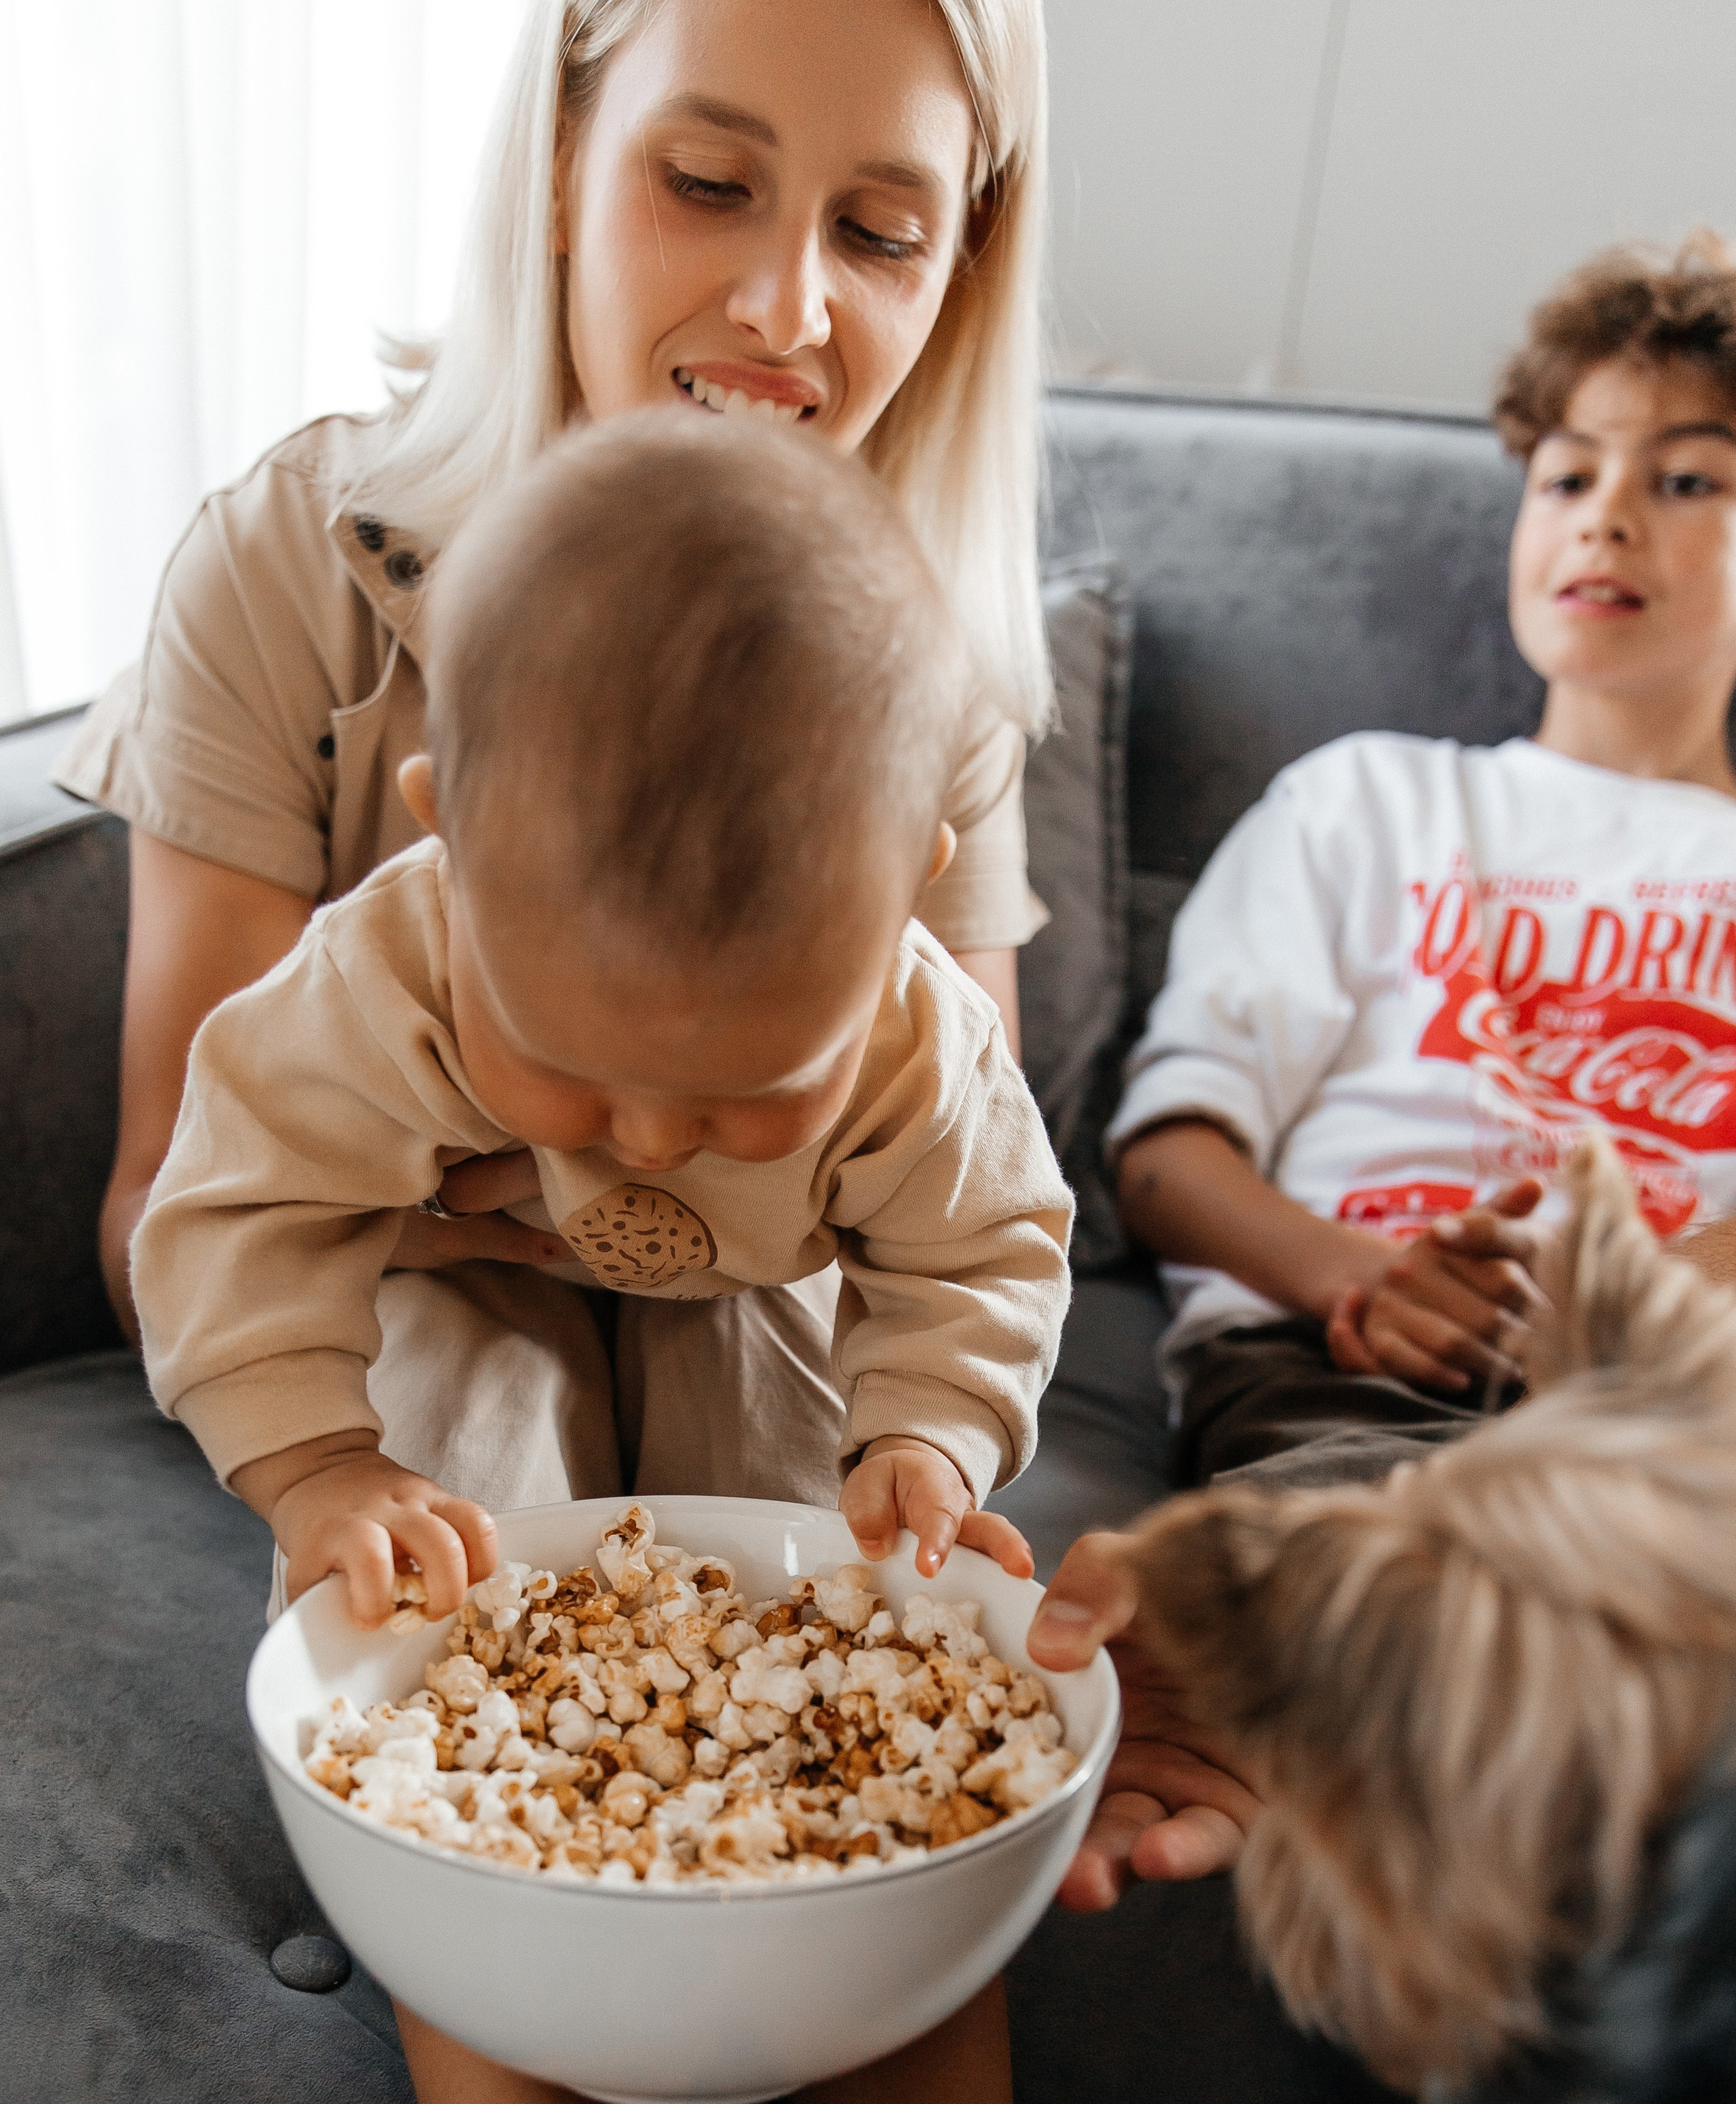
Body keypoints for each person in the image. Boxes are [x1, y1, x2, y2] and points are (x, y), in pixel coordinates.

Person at [134, 414, 1072, 2104]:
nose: (643, 1139)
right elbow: (239, 1206)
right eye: (567, 1064)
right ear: (447, 834)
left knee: (849, 1587)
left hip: (769, 1298)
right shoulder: (383, 972)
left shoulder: (920, 1034)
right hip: (465, 1278)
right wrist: (317, 1467)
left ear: (903, 899)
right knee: (429, 1562)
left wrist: (928, 1430)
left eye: (743, 1092)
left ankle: (883, 1980)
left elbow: (977, 1248)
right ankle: (481, 1983)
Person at [59, 0, 1050, 1518]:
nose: (785, 311)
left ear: (959, 263)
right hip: (405, 1312)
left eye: (876, 231)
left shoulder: (922, 676)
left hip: (777, 1324)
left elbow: (952, 1213)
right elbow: (188, 1208)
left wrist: (921, 1432)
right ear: (560, 152)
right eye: (709, 184)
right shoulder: (289, 568)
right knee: (467, 1422)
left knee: (788, 1466)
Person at [1109, 230, 1736, 1496]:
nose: (1606, 515)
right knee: (1360, 1600)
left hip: (1672, 1399)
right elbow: (1170, 1153)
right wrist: (1355, 1275)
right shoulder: (1368, 798)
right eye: (1566, 477)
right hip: (1343, 1364)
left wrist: (1639, 1308)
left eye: (1686, 482)